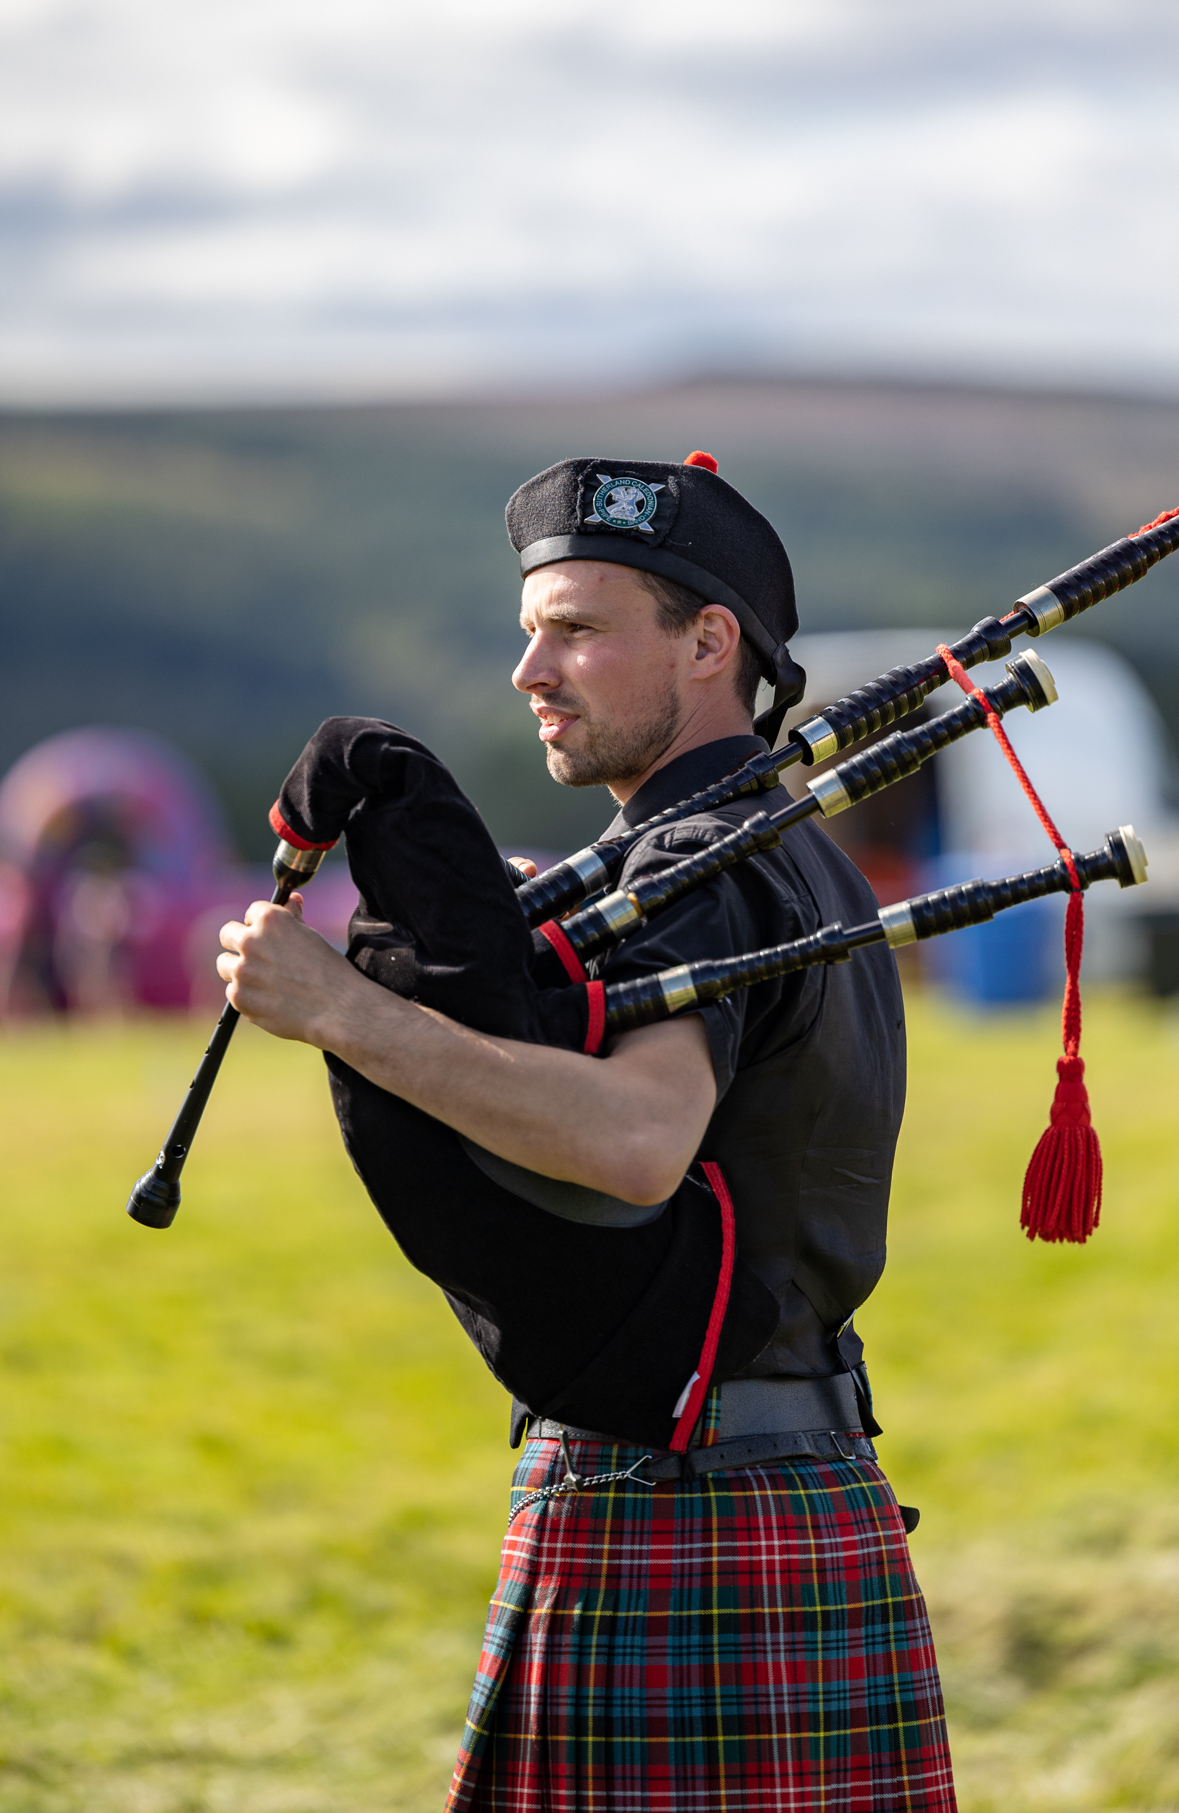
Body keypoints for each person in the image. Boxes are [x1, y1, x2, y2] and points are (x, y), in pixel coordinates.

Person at [218, 452, 957, 1813]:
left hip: (677, 1497)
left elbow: (636, 1140)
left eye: (577, 628)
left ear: (706, 645)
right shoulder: (772, 845)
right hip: (792, 1478)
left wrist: (339, 1012)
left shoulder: (694, 865)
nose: (531, 671)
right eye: (527, 632)